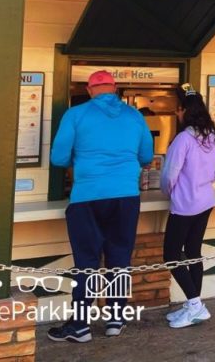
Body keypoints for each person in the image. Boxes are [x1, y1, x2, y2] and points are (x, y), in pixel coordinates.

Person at [48, 70, 154, 343]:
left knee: (87, 262)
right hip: (125, 197)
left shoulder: (75, 114)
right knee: (120, 259)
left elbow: (59, 158)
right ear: (115, 87)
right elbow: (146, 156)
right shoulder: (134, 116)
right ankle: (115, 319)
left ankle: (81, 325)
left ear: (89, 88)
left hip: (87, 197)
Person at [162, 83, 215, 328]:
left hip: (184, 205)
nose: (176, 114)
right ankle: (193, 305)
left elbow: (169, 175)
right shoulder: (212, 135)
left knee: (171, 255)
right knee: (193, 252)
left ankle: (196, 305)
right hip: (205, 201)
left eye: (178, 110)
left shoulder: (183, 139)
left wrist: (170, 191)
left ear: (185, 111)